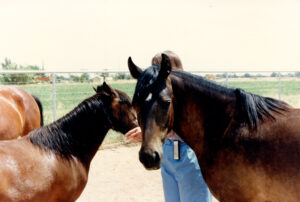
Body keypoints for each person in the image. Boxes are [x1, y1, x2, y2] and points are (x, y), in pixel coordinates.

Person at [125, 51, 212, 202]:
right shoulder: (160, 95)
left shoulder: (192, 96)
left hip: (189, 155)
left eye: (159, 68)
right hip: (168, 155)